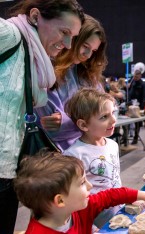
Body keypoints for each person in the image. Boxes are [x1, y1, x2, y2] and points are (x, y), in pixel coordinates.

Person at [0, 1, 84, 232]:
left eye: (73, 37)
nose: (68, 44)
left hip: (8, 171)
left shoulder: (33, 56)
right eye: (64, 32)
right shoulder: (9, 34)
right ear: (36, 16)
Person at [13, 151, 145, 233]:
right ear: (60, 201)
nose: (89, 186)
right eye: (81, 183)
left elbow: (110, 195)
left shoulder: (79, 209)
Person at [35, 14, 108, 151]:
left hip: (90, 154)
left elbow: (109, 117)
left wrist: (68, 123)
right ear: (73, 38)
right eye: (85, 46)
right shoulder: (46, 70)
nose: (87, 55)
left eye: (93, 50)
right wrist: (92, 123)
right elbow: (51, 129)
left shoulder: (89, 75)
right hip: (57, 158)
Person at [62, 88, 121, 228]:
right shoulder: (74, 155)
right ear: (83, 125)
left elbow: (115, 177)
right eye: (104, 117)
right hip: (94, 217)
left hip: (116, 208)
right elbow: (71, 197)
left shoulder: (112, 145)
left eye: (113, 113)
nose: (113, 120)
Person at [128, 62, 145, 144]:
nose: (135, 77)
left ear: (140, 76)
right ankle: (126, 137)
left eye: (137, 76)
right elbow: (128, 92)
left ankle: (136, 137)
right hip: (130, 104)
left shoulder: (142, 84)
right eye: (134, 76)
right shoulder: (131, 82)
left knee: (137, 123)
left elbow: (144, 96)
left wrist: (142, 107)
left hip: (138, 106)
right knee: (128, 122)